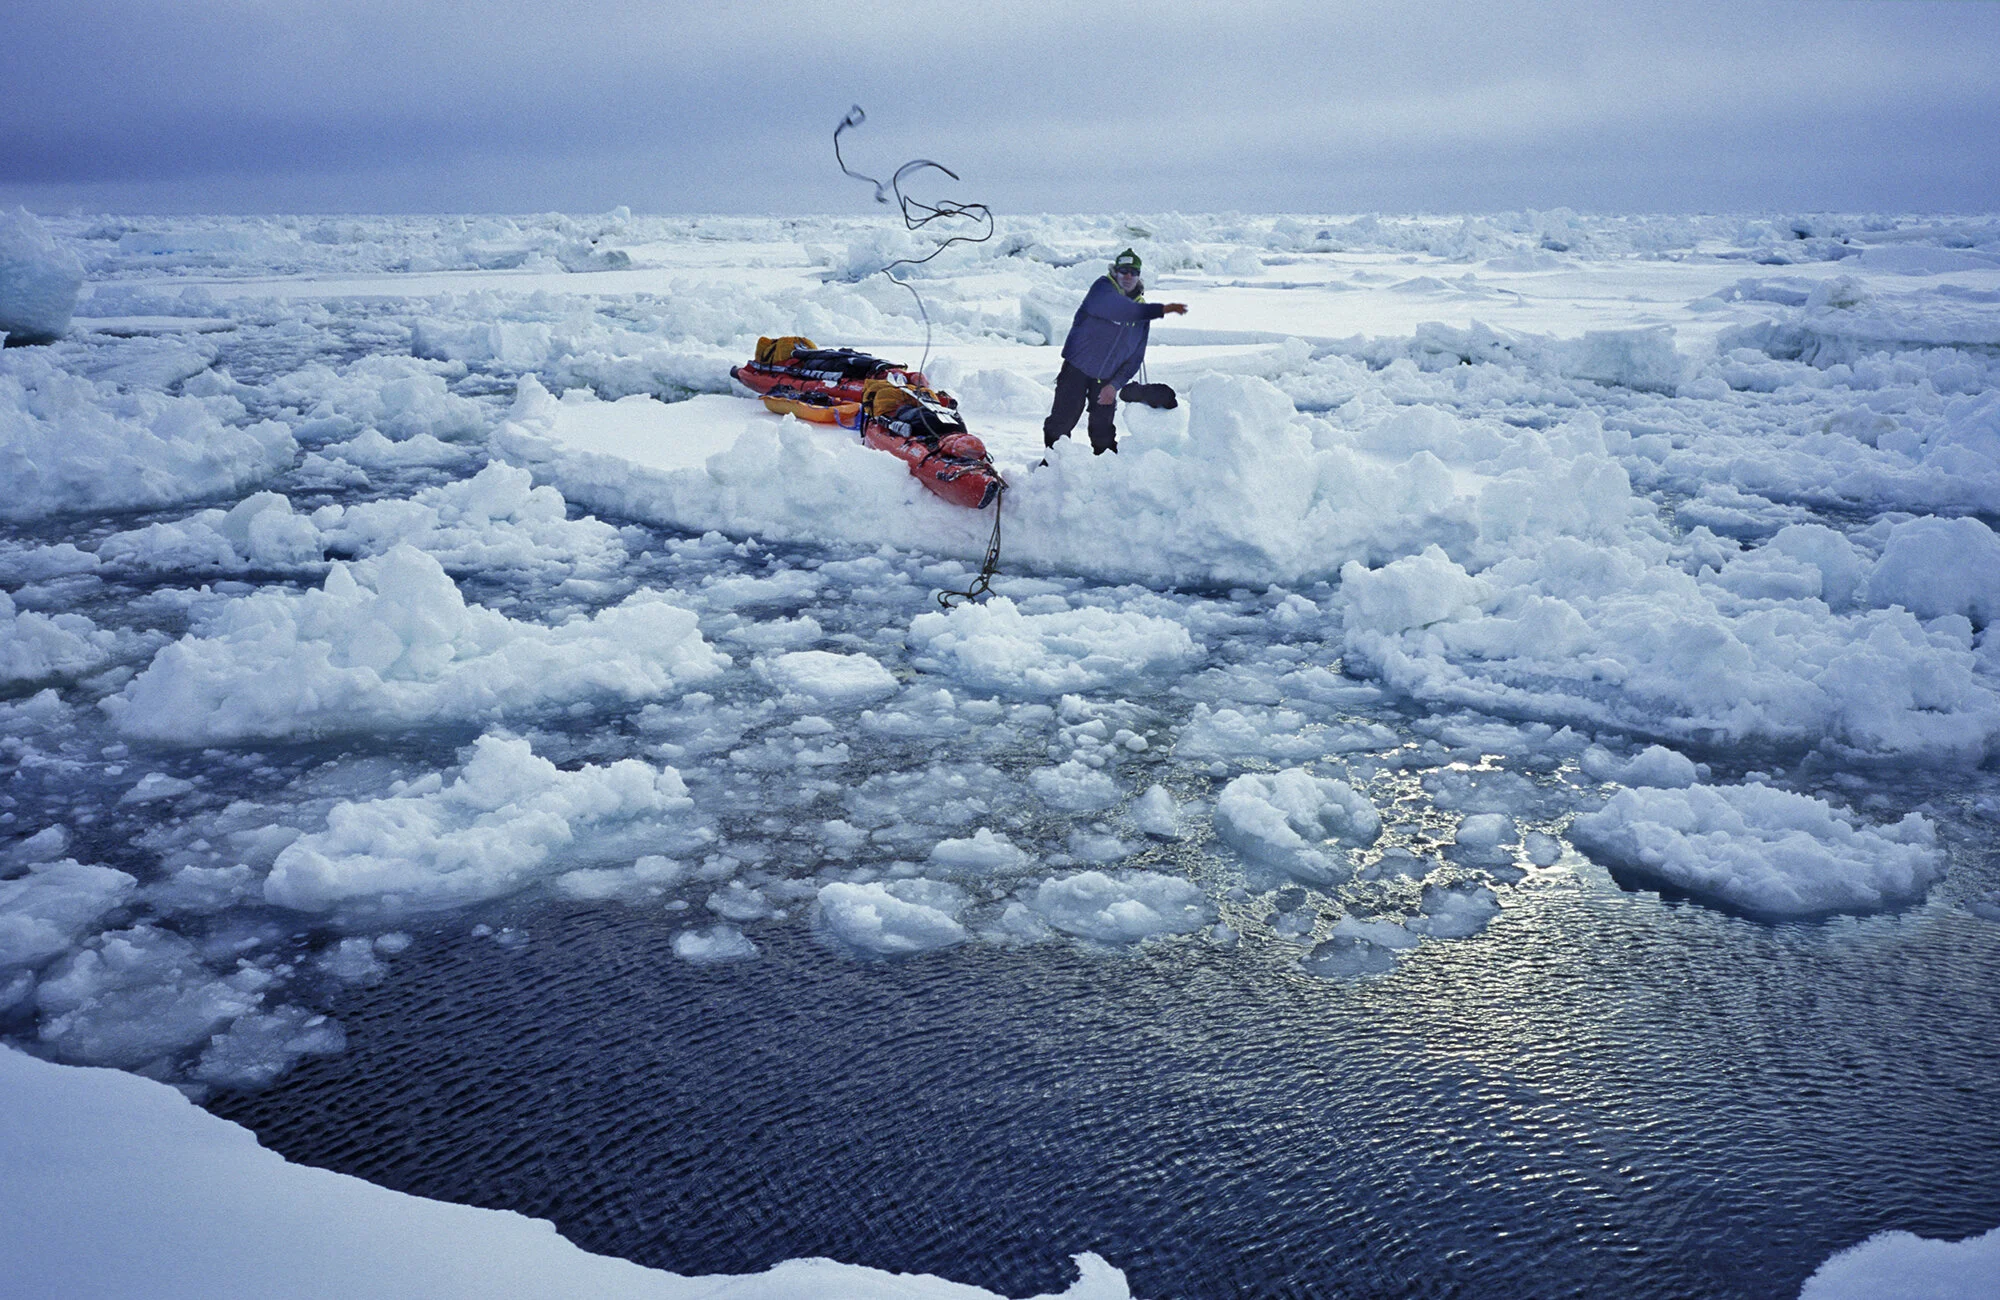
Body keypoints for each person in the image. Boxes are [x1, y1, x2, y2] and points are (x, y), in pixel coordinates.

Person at [1042, 249, 1187, 455]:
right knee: (1062, 420)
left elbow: (1136, 356)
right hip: (1077, 369)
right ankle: (1052, 463)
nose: (1128, 276)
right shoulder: (1101, 290)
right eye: (1123, 271)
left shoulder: (1141, 314)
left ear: (1138, 276)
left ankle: (1106, 469)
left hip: (1106, 376)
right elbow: (1121, 309)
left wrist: (1115, 385)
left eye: (1133, 272)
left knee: (1103, 428)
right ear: (1115, 272)